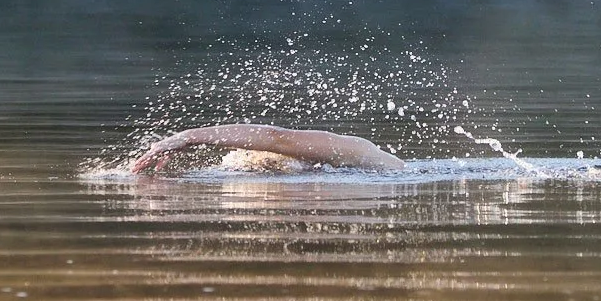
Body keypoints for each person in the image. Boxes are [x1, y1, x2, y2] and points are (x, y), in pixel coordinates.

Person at [130, 125, 405, 176]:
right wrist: (191, 137)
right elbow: (279, 139)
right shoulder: (373, 159)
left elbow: (279, 140)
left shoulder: (381, 164)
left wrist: (190, 137)